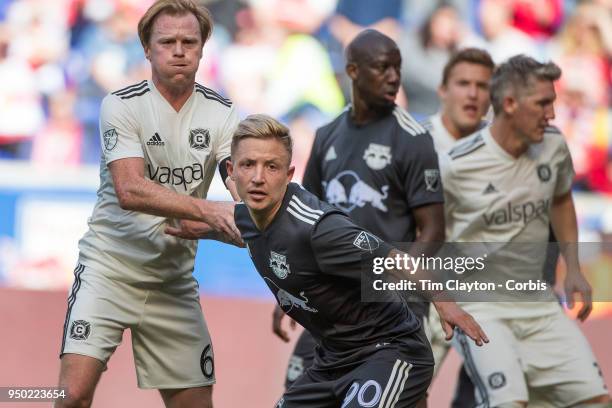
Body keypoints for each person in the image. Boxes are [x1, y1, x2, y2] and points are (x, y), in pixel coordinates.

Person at [228, 113, 488, 408]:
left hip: (390, 350)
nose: (258, 177)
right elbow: (206, 215)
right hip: (333, 358)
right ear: (232, 170)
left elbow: (394, 258)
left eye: (271, 167)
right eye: (248, 165)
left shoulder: (320, 228)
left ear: (289, 175)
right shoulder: (246, 210)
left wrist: (444, 301)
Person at [55, 1, 242, 407]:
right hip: (109, 270)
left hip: (173, 282)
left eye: (189, 41)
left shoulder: (224, 113)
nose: (179, 50)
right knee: (69, 396)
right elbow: (130, 190)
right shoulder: (121, 104)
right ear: (146, 48)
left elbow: (241, 198)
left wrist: (233, 222)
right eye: (167, 41)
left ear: (203, 47)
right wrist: (207, 211)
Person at [274, 29, 446, 397]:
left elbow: (432, 231)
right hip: (336, 301)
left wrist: (391, 285)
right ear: (352, 71)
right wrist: (289, 292)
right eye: (382, 68)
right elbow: (304, 219)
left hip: (394, 304)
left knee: (400, 395)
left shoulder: (413, 138)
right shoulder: (327, 135)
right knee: (298, 389)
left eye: (397, 68)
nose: (394, 77)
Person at [440, 55, 610, 407]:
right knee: (509, 403)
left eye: (553, 102)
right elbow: (425, 235)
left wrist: (574, 268)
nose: (551, 113)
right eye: (543, 104)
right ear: (510, 103)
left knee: (596, 400)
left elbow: (561, 200)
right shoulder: (456, 164)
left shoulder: (553, 145)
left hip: (538, 302)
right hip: (481, 305)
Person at [421, 47, 494, 408]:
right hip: (422, 296)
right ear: (443, 89)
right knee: (402, 395)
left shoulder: (503, 150)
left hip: (485, 294)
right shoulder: (414, 143)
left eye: (482, 85)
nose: (473, 93)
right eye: (463, 83)